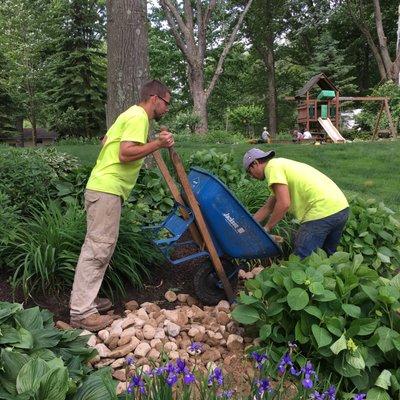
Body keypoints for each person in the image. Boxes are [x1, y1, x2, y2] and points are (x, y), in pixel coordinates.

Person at [69, 79, 174, 331]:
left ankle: (88, 300)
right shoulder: (139, 116)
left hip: (103, 188)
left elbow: (106, 141)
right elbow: (124, 153)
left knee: (100, 246)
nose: (167, 109)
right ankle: (81, 312)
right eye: (166, 103)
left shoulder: (129, 114)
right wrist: (158, 144)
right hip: (106, 189)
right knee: (98, 248)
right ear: (154, 98)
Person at [243, 148, 349, 259]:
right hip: (341, 208)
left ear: (255, 163)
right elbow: (268, 207)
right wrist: (249, 225)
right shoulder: (281, 165)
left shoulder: (272, 167)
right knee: (328, 257)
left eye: (249, 172)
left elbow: (284, 203)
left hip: (322, 211)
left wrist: (267, 228)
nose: (251, 176)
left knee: (301, 259)